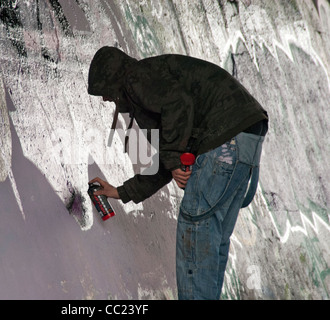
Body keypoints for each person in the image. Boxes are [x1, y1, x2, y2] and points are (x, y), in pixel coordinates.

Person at [87, 46, 268, 300]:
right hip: (244, 137)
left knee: (195, 226)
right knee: (212, 238)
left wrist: (174, 160)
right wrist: (121, 192)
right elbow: (164, 158)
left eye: (105, 93)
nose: (106, 100)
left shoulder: (135, 77)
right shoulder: (152, 84)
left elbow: (178, 104)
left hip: (226, 139)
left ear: (114, 79)